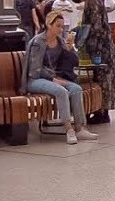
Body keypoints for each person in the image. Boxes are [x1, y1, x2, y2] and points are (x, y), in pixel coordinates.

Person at [22, 10, 99, 145]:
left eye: (62, 26)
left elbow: (73, 61)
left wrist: (70, 49)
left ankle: (80, 127)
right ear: (49, 25)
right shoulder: (38, 42)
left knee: (75, 89)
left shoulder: (60, 41)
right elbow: (35, 68)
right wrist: (53, 79)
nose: (60, 29)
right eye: (57, 26)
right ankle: (68, 129)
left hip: (54, 78)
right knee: (61, 91)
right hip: (35, 79)